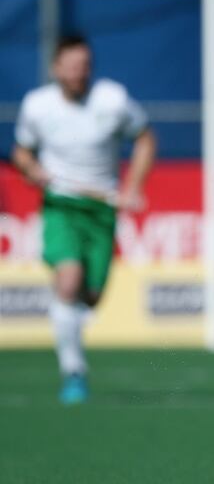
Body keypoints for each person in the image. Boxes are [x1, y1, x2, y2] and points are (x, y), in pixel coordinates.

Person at [12, 35, 156, 404]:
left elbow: (145, 139)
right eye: (72, 66)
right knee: (69, 278)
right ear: (56, 68)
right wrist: (32, 169)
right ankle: (73, 371)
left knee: (90, 296)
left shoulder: (112, 100)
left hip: (102, 210)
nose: (79, 74)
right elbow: (22, 153)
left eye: (85, 66)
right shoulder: (37, 106)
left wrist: (134, 186)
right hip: (61, 205)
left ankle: (73, 341)